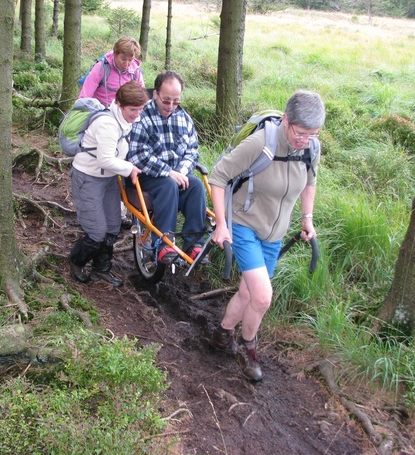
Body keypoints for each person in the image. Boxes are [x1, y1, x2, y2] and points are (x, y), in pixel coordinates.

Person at [207, 90, 325, 382]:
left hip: (275, 233)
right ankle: (249, 351)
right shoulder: (261, 142)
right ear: (286, 120)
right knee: (262, 297)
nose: (304, 140)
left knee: (247, 292)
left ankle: (222, 334)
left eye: (312, 134)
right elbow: (218, 176)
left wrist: (307, 219)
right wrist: (222, 224)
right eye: (300, 133)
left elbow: (310, 182)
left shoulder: (311, 148)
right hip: (244, 225)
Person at [68, 81, 149, 286]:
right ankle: (76, 262)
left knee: (113, 226)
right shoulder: (107, 124)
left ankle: (100, 270)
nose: (137, 114)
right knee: (96, 231)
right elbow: (105, 160)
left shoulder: (125, 121)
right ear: (119, 104)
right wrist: (129, 168)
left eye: (140, 109)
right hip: (88, 177)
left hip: (109, 178)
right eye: (133, 109)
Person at [127, 70, 207, 264]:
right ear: (155, 94)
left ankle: (194, 242)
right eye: (166, 100)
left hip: (175, 174)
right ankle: (164, 244)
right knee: (168, 185)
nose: (171, 106)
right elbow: (137, 155)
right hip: (147, 175)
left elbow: (192, 151)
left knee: (196, 186)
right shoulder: (142, 116)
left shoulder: (184, 118)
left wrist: (181, 171)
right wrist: (168, 172)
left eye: (176, 101)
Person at [79, 36, 145, 108]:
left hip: (124, 113)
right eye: (123, 59)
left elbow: (142, 98)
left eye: (130, 60)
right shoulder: (102, 67)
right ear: (115, 54)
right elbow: (84, 97)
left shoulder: (136, 72)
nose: (126, 64)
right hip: (100, 111)